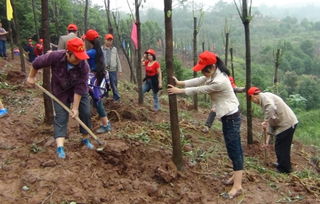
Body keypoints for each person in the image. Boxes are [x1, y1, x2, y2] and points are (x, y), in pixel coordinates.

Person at [168, 51, 243, 199]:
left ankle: (238, 186)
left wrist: (179, 91)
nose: (203, 72)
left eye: (204, 69)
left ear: (213, 66)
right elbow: (199, 80)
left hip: (231, 117)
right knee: (234, 149)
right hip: (229, 116)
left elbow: (199, 89)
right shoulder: (215, 73)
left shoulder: (220, 81)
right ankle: (236, 176)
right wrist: (180, 82)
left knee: (234, 150)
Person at [26, 38, 94, 159]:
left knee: (85, 112)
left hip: (79, 91)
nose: (79, 60)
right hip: (60, 91)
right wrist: (31, 76)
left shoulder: (84, 65)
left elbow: (80, 87)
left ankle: (85, 138)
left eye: (81, 57)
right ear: (68, 53)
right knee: (61, 117)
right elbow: (37, 63)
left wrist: (75, 108)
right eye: (76, 57)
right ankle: (60, 147)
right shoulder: (55, 56)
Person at [248, 87, 298, 173]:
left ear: (253, 96)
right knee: (280, 146)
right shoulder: (265, 99)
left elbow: (270, 108)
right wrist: (267, 141)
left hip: (287, 124)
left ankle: (284, 169)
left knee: (281, 146)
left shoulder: (266, 100)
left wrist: (265, 120)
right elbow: (271, 123)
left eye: (251, 100)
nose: (253, 102)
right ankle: (281, 164)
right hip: (283, 123)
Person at [85, 29, 112, 134]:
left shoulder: (91, 52)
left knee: (97, 101)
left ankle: (106, 125)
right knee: (96, 101)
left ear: (88, 40)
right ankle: (103, 123)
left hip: (94, 79)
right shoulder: (98, 50)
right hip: (98, 78)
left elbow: (80, 56)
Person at [102, 34, 122, 101]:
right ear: (105, 40)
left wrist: (120, 70)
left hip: (113, 70)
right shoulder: (101, 49)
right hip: (104, 70)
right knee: (105, 84)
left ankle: (116, 97)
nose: (109, 42)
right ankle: (105, 96)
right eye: (108, 40)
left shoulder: (114, 49)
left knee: (114, 84)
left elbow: (117, 59)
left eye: (111, 40)